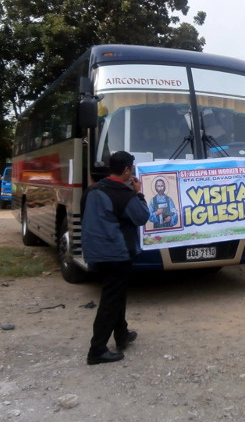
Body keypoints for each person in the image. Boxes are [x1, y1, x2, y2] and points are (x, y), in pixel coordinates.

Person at [82, 151, 150, 365]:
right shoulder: (124, 194)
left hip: (95, 251)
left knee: (116, 294)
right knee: (110, 301)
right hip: (117, 253)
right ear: (127, 170)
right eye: (132, 169)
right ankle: (97, 350)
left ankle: (122, 335)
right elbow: (142, 217)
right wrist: (139, 194)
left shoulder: (93, 189)